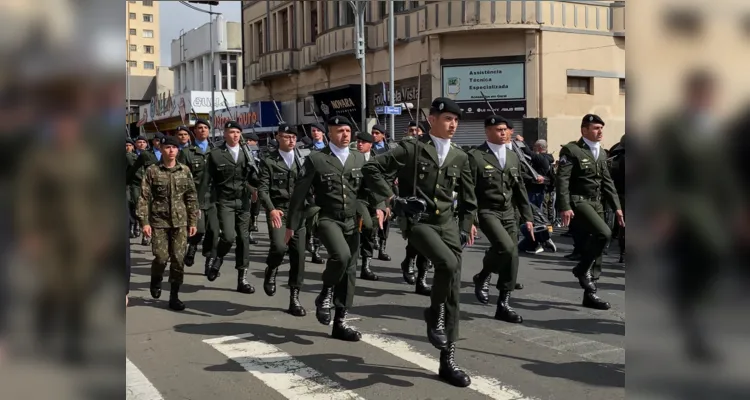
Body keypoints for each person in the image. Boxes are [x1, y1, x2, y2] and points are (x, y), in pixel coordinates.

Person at [363, 97, 478, 388]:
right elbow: (372, 170)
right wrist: (393, 199)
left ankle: (447, 360)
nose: (452, 124)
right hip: (419, 222)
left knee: (452, 288)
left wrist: (465, 226)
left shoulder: (460, 156)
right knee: (447, 264)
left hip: (448, 225)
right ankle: (433, 313)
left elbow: (468, 197)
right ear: (432, 120)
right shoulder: (411, 148)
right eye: (447, 118)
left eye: (456, 120)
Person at [285, 115, 367, 342]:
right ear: (329, 133)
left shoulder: (358, 157)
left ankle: (340, 322)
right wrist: (292, 225)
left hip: (352, 219)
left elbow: (368, 188)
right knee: (340, 256)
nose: (345, 135)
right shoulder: (316, 159)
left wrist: (380, 205)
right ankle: (326, 293)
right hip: (326, 218)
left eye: (348, 131)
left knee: (350, 270)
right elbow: (299, 194)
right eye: (340, 131)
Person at [468, 115, 534, 323]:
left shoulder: (513, 156)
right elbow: (467, 191)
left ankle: (503, 304)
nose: (503, 133)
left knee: (512, 255)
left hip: (508, 212)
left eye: (505, 129)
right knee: (506, 247)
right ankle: (484, 275)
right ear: (487, 131)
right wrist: (470, 219)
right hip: (487, 211)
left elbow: (519, 188)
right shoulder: (476, 156)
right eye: (498, 130)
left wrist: (528, 216)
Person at [556, 114, 624, 310]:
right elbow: (563, 180)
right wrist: (565, 206)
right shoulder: (572, 150)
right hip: (579, 201)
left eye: (601, 128)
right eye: (595, 128)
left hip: (598, 204)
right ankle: (581, 268)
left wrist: (617, 207)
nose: (600, 131)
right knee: (604, 233)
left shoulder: (602, 153)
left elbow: (607, 182)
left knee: (599, 245)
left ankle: (590, 293)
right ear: (584, 130)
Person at [136, 135, 199, 311]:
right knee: (161, 257)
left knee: (178, 259)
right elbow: (143, 198)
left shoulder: (184, 170)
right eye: (167, 147)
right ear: (161, 149)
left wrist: (193, 220)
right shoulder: (152, 171)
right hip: (159, 221)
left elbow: (191, 196)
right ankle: (156, 279)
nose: (171, 151)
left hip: (180, 222)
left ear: (178, 150)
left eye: (174, 148)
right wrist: (144, 222)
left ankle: (174, 295)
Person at [201, 121, 260, 294]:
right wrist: (199, 204)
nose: (235, 135)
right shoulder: (216, 154)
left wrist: (255, 173)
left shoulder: (247, 153)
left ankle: (242, 278)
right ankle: (218, 258)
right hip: (224, 201)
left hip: (243, 201)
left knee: (244, 238)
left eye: (238, 132)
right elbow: (206, 180)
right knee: (228, 236)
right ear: (224, 133)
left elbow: (255, 180)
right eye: (231, 132)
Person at [257, 124, 307, 316]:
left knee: (299, 257)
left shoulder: (303, 160)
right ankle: (272, 268)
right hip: (279, 211)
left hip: (299, 213)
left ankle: (294, 297)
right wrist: (271, 209)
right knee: (279, 247)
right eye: (287, 136)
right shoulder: (268, 161)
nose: (291, 140)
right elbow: (263, 189)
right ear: (278, 137)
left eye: (294, 137)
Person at [177, 119, 219, 275]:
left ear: (209, 131)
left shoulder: (216, 151)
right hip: (195, 197)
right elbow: (181, 177)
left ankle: (209, 261)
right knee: (199, 229)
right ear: (194, 132)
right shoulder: (187, 153)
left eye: (205, 128)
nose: (202, 130)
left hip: (214, 197)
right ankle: (193, 246)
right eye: (199, 128)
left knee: (214, 232)